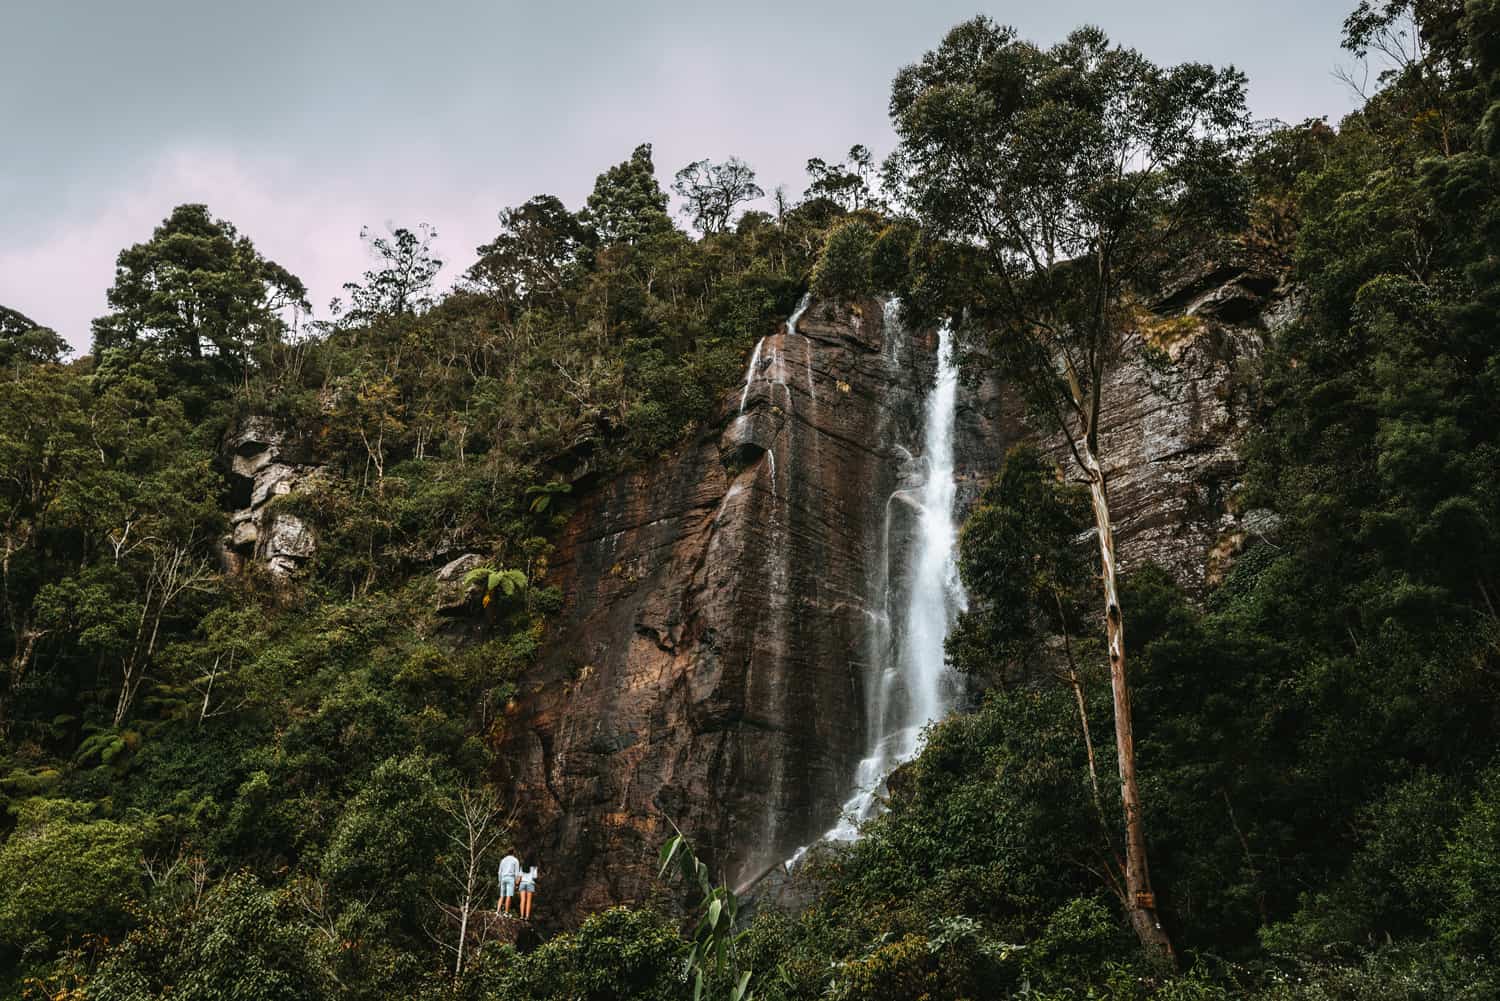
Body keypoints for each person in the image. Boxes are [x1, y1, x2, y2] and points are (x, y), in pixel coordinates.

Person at [498, 850, 521, 916]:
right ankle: (506, 912)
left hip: (503, 878)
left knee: (502, 895)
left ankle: (497, 911)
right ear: (514, 853)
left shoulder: (503, 860)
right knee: (508, 896)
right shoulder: (515, 860)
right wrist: (517, 883)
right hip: (510, 878)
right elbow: (517, 872)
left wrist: (499, 881)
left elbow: (499, 872)